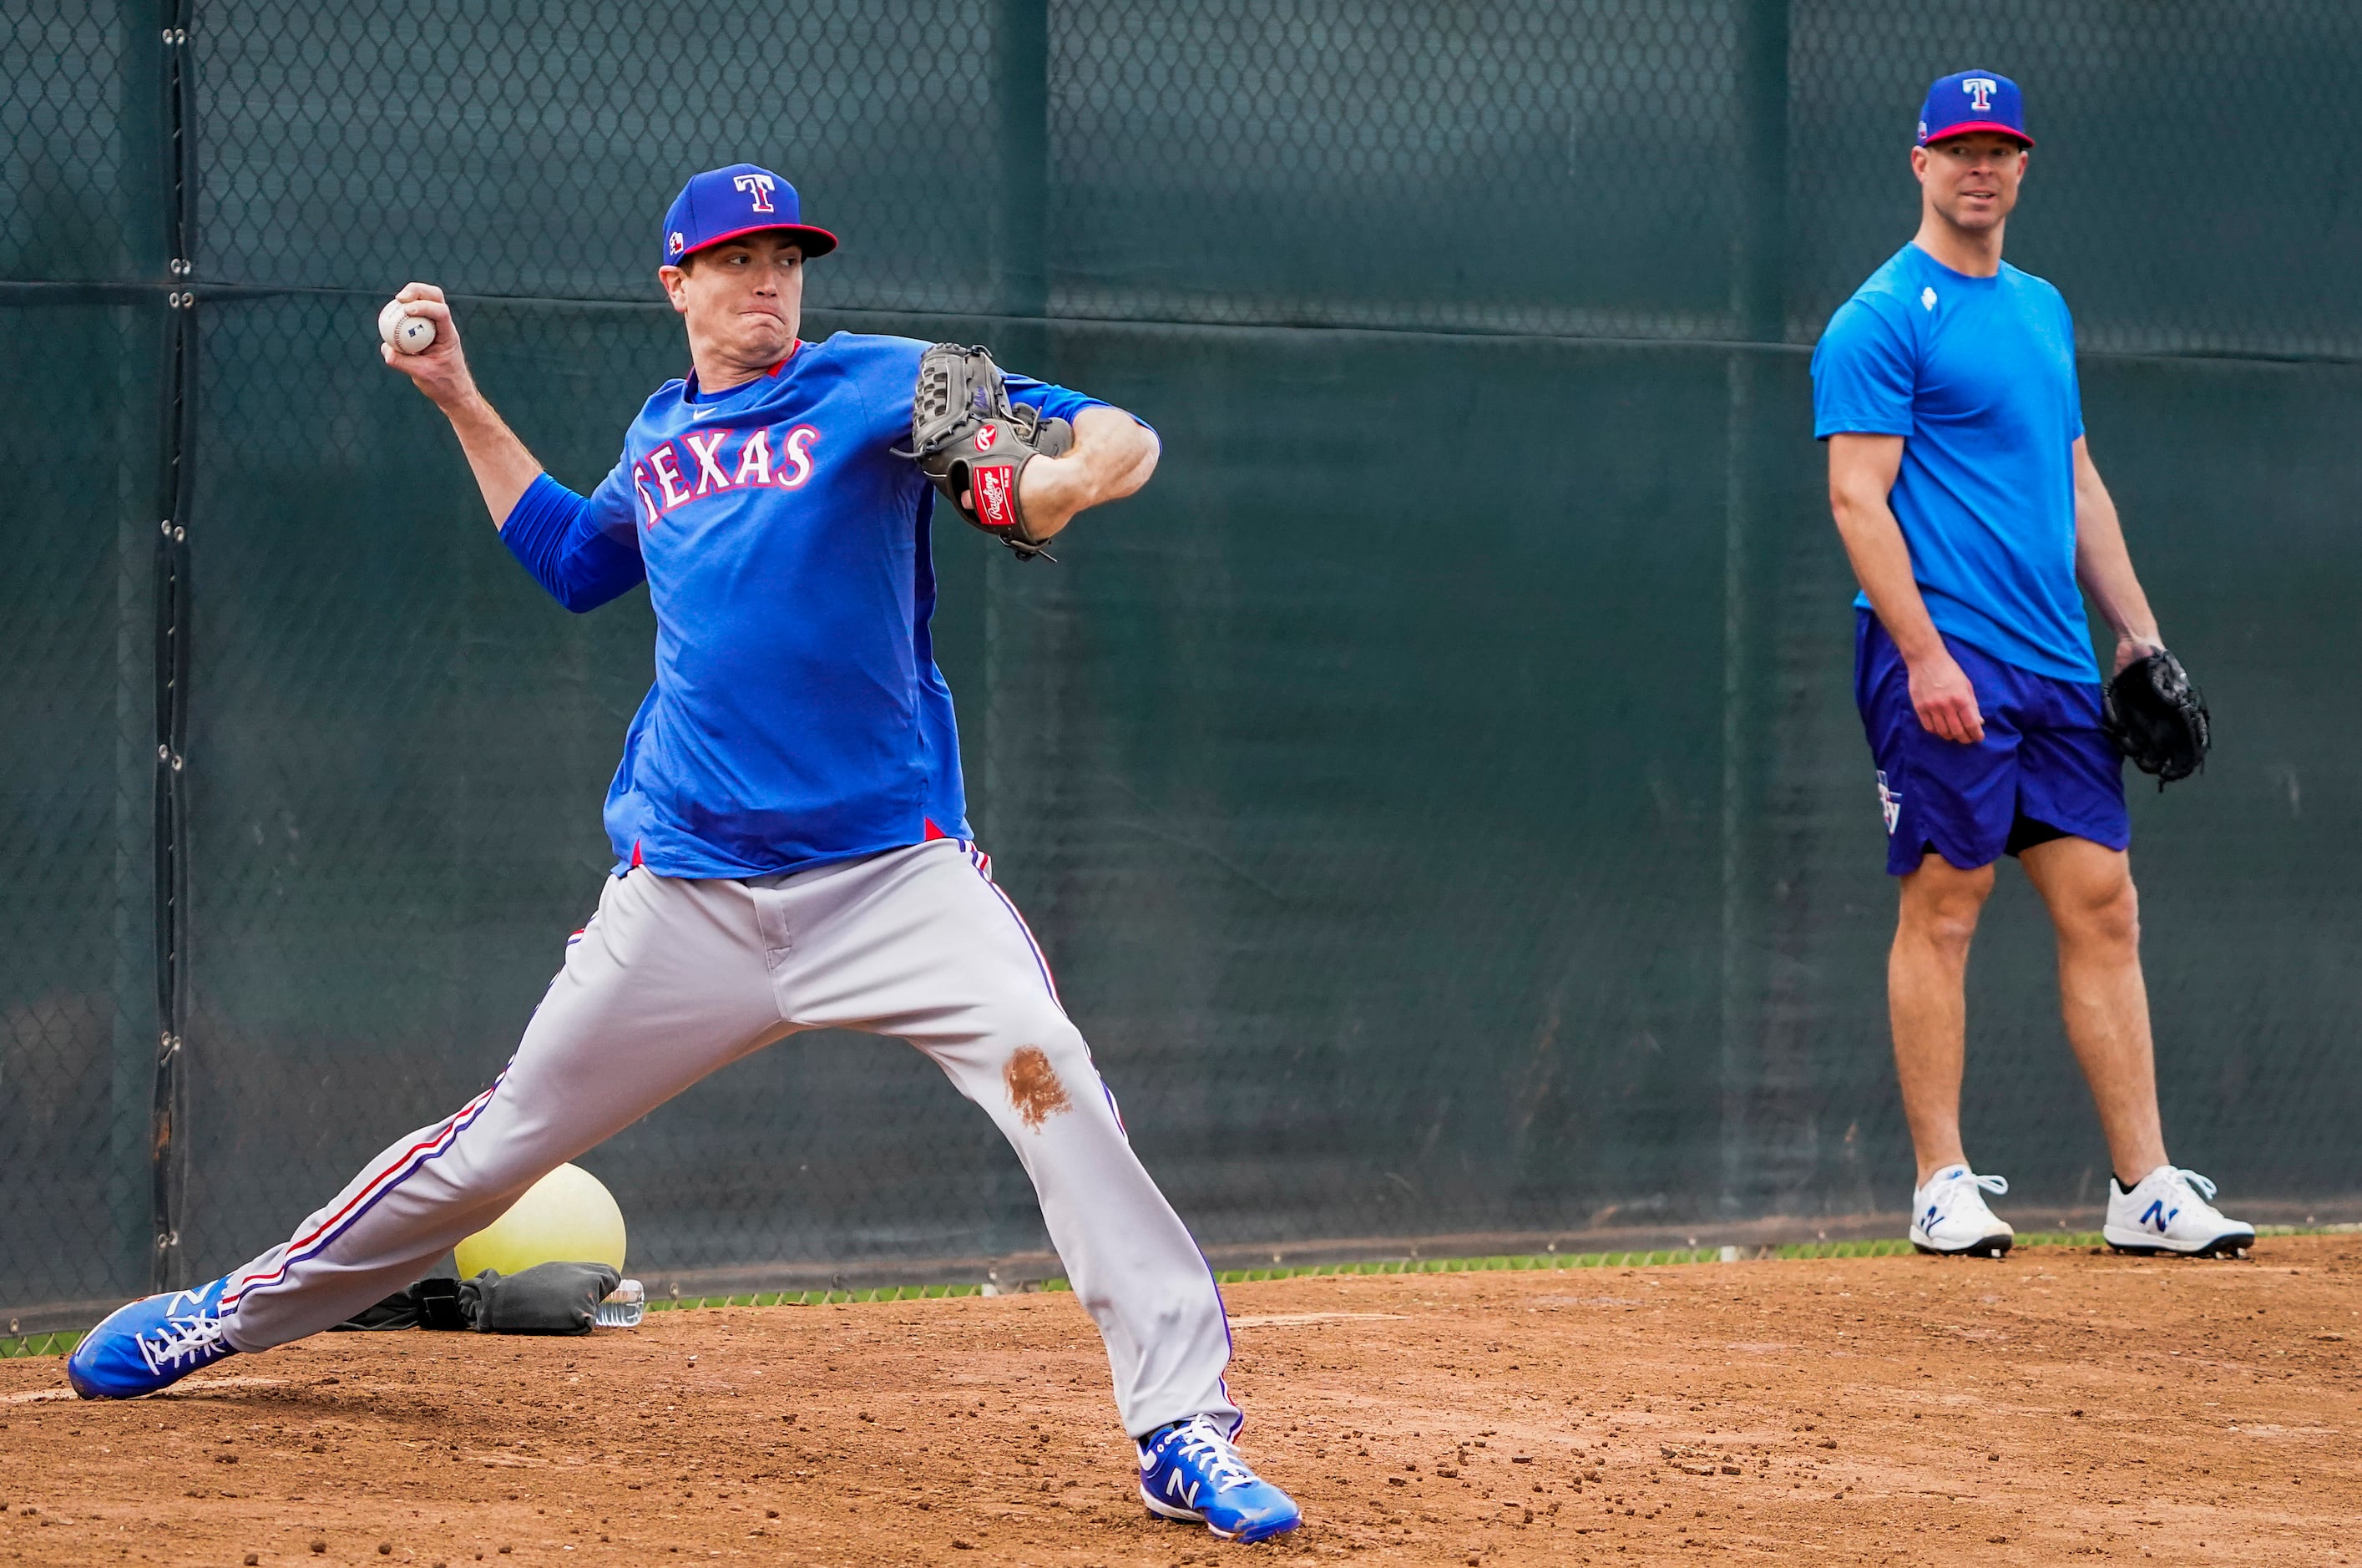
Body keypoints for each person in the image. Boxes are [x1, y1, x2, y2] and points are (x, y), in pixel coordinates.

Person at [67, 163, 1301, 1545]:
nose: (766, 279)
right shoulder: (658, 442)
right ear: (678, 283)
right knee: (495, 1148)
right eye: (734, 258)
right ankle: (227, 1314)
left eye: (784, 255)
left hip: (893, 884)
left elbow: (1114, 436)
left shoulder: (878, 383)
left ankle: (1180, 1424)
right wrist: (459, 400)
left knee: (1052, 1082)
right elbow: (569, 563)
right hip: (687, 901)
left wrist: (1058, 483)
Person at [1811, 74, 2251, 1260]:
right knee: (1947, 903)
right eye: (1957, 148)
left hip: (2054, 664)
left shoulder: (2041, 309)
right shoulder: (1880, 316)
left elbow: (2076, 484)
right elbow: (1857, 500)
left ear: (2022, 164)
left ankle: (2141, 1186)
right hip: (1942, 650)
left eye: (1998, 148)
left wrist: (2138, 635)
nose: (1979, 167)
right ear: (1918, 163)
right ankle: (1937, 1181)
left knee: (2104, 903)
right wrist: (1921, 655)